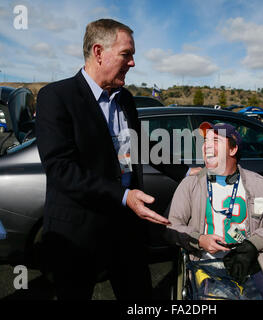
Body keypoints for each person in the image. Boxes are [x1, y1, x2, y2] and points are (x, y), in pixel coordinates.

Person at [35, 18, 197, 300]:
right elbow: (61, 169)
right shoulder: (56, 97)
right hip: (78, 232)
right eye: (127, 54)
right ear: (99, 52)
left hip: (126, 230)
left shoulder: (125, 98)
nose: (133, 63)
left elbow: (141, 145)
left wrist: (186, 172)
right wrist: (124, 196)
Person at [165, 122, 263, 299]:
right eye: (205, 140)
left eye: (215, 140)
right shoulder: (190, 185)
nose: (206, 145)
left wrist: (254, 244)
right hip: (205, 264)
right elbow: (171, 226)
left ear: (233, 149)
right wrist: (199, 239)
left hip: (249, 263)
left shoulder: (259, 185)